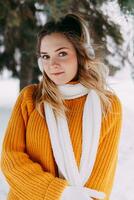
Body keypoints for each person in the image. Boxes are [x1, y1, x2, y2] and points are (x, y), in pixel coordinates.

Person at [1, 13, 122, 200]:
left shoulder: (108, 105)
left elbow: (100, 180)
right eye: (45, 56)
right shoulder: (30, 98)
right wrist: (60, 193)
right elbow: (10, 159)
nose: (52, 64)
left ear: (81, 55)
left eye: (62, 53)